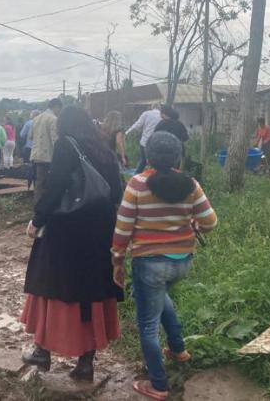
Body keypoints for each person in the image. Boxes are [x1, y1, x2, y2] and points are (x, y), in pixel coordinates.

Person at [112, 131, 218, 400]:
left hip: (149, 264)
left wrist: (117, 260)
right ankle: (178, 349)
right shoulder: (190, 184)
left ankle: (158, 385)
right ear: (177, 156)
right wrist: (193, 224)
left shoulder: (137, 184)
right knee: (161, 300)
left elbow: (123, 229)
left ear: (148, 155)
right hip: (182, 262)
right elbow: (210, 222)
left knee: (147, 324)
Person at [20, 106, 124, 382]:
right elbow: (117, 191)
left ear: (65, 126)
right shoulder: (104, 150)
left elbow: (54, 188)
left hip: (67, 230)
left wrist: (37, 220)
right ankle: (86, 364)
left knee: (51, 284)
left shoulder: (66, 146)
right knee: (90, 290)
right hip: (100, 231)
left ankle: (42, 352)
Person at [29, 99, 63, 200]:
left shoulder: (36, 118)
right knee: (49, 182)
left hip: (36, 155)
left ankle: (38, 204)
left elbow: (30, 136)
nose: (59, 112)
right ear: (56, 106)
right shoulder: (53, 119)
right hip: (48, 156)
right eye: (60, 109)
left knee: (39, 182)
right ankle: (47, 204)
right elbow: (55, 140)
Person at [126, 104, 162, 174]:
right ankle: (153, 177)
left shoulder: (146, 113)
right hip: (156, 142)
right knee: (155, 162)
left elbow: (137, 125)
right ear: (160, 108)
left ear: (152, 107)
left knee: (143, 161)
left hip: (144, 142)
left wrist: (127, 132)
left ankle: (136, 176)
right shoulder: (162, 116)